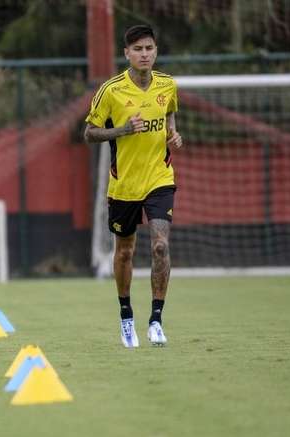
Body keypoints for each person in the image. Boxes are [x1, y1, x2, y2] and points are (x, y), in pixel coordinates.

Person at [83, 25, 183, 348]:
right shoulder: (111, 91)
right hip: (124, 185)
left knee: (159, 246)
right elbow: (89, 133)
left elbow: (169, 117)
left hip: (159, 178)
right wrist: (123, 130)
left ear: (156, 51)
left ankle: (156, 320)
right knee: (124, 251)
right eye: (138, 49)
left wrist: (173, 134)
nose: (144, 54)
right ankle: (126, 317)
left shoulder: (168, 86)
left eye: (149, 48)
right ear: (126, 53)